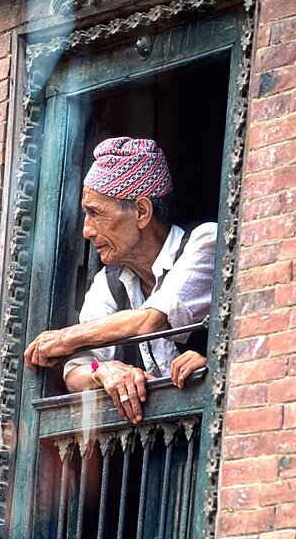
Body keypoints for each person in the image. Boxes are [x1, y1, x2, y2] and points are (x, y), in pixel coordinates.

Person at [23, 137, 215, 423]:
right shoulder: (110, 281)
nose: (87, 230)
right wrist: (102, 371)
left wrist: (65, 338)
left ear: (141, 212)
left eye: (96, 213)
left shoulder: (204, 241)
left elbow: (150, 320)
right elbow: (75, 370)